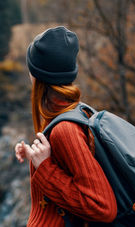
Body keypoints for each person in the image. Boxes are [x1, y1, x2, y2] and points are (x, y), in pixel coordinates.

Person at [15, 26, 117, 226]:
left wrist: (45, 168)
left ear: (38, 76)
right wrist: (33, 155)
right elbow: (67, 167)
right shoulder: (67, 114)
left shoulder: (65, 129)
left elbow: (103, 207)